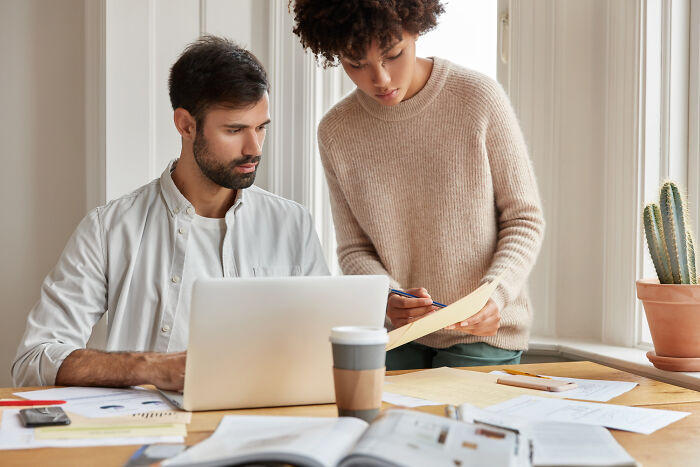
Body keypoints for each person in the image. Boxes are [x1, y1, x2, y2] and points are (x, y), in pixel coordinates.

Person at [12, 36, 329, 389]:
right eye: (235, 130)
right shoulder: (109, 230)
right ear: (185, 125)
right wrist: (151, 367)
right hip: (150, 433)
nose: (254, 148)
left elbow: (328, 343)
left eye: (261, 128)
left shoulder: (292, 225)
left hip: (269, 424)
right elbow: (34, 360)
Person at [290, 1, 545, 370]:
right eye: (355, 63)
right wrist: (387, 295)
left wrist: (497, 295)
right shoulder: (336, 131)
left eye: (393, 54)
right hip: (397, 337)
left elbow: (524, 220)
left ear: (416, 29)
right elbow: (354, 249)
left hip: (484, 334)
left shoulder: (478, 99)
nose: (380, 79)